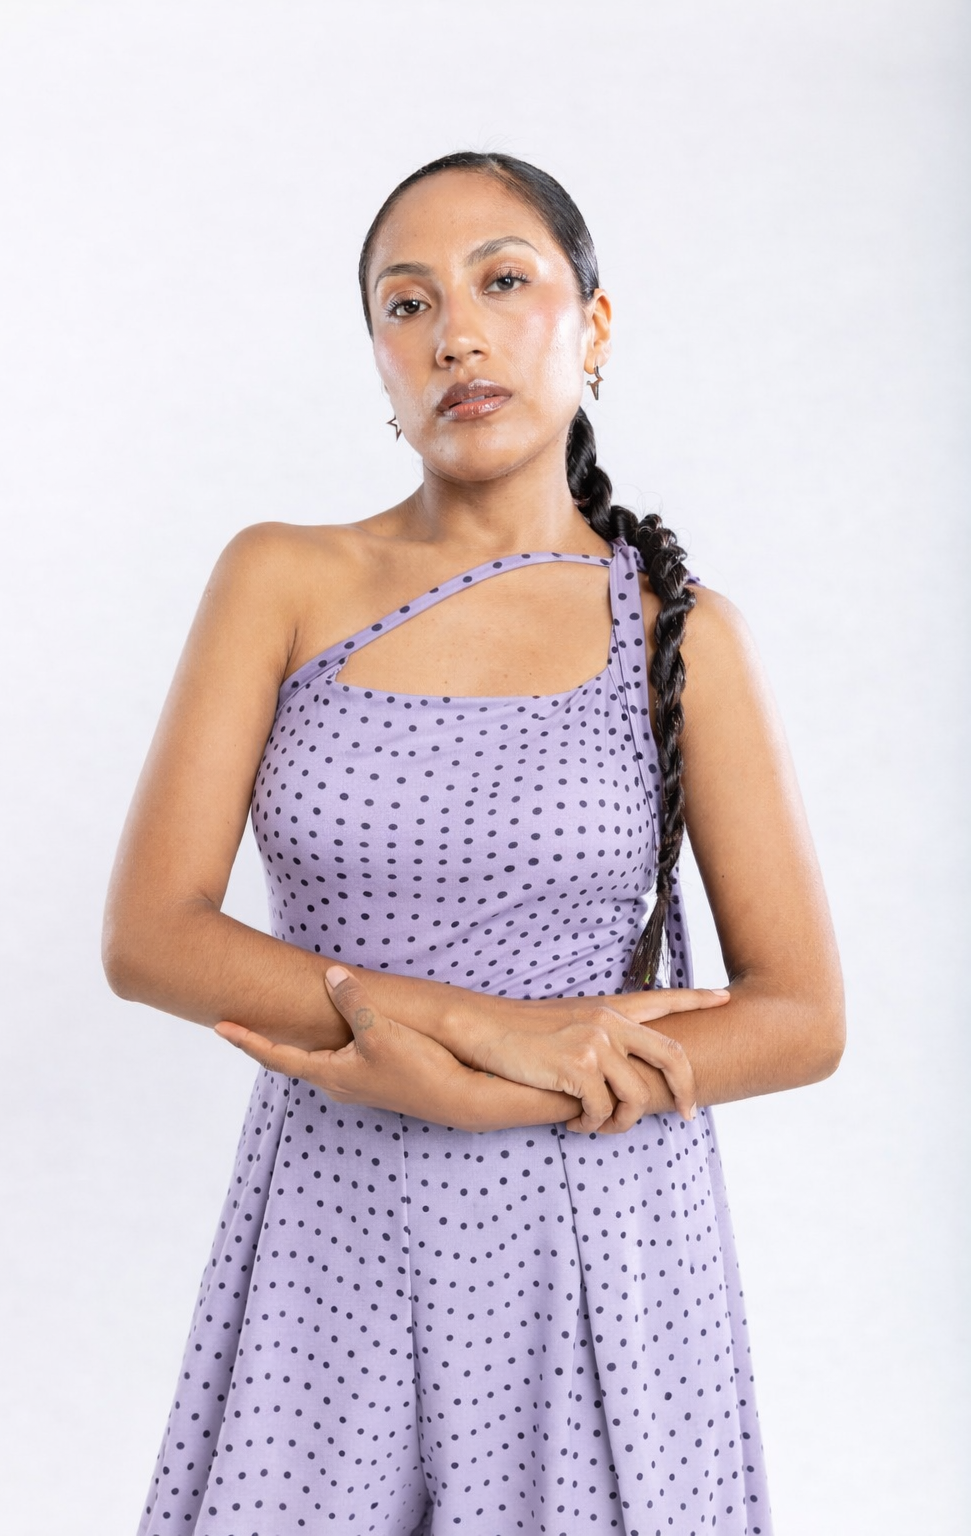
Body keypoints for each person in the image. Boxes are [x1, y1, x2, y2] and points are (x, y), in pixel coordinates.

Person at [104, 151, 844, 1536]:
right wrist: (476, 1031)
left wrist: (505, 1095)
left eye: (505, 281)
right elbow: (152, 935)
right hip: (335, 1227)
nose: (456, 333)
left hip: (602, 1241)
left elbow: (803, 1017)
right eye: (408, 303)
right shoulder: (282, 578)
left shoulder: (684, 635)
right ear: (379, 365)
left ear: (594, 326)